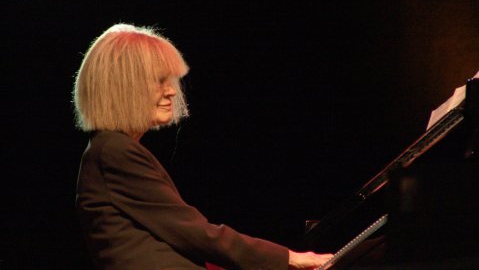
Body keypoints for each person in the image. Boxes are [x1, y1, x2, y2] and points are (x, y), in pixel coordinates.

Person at [73, 23, 333, 270]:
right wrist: (289, 258)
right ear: (123, 86)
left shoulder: (111, 149)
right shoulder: (114, 151)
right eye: (158, 80)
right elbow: (196, 233)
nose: (172, 92)